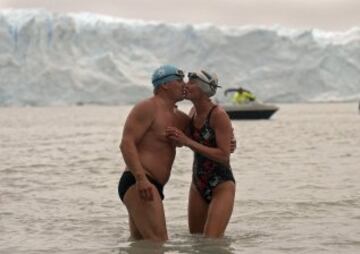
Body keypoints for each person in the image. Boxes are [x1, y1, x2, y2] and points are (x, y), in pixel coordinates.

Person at [118, 64, 190, 241]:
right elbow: (126, 144)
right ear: (165, 84)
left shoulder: (179, 117)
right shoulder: (147, 107)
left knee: (141, 245)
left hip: (153, 185)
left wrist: (228, 142)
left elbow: (200, 136)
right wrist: (141, 178)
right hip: (140, 182)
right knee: (159, 242)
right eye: (179, 80)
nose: (184, 85)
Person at [166, 70, 236, 238]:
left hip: (221, 183)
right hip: (198, 182)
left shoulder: (218, 115)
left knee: (211, 242)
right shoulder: (192, 112)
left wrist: (188, 141)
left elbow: (223, 155)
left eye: (192, 83)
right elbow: (188, 142)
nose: (186, 85)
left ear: (204, 89)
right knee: (196, 241)